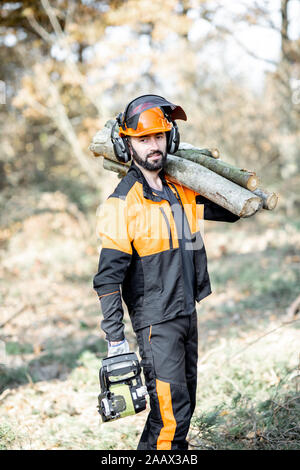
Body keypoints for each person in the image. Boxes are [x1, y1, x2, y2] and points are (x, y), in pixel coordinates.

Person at [93, 94, 240, 450]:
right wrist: (115, 340)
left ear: (171, 138)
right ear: (126, 143)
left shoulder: (180, 191)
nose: (154, 146)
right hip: (156, 322)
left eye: (160, 136)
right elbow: (108, 279)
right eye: (144, 139)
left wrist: (211, 174)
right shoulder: (123, 203)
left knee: (179, 409)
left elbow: (233, 208)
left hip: (187, 312)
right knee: (170, 414)